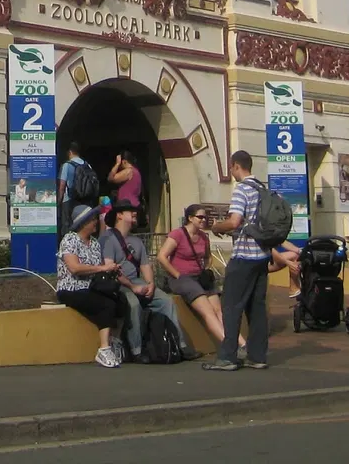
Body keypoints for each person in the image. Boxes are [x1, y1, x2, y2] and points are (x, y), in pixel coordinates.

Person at [100, 201, 200, 361]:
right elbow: (110, 268)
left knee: (167, 301)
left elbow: (145, 266)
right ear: (119, 215)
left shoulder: (137, 241)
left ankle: (180, 346)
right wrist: (133, 287)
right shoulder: (107, 239)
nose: (134, 213)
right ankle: (137, 350)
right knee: (133, 303)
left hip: (137, 282)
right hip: (118, 285)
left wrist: (151, 284)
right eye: (130, 211)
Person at [202, 150, 271, 371]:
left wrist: (215, 227)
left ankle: (228, 357)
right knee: (257, 308)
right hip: (262, 257)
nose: (231, 172)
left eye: (231, 168)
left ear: (235, 166)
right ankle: (257, 356)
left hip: (244, 257)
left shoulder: (242, 189)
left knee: (231, 306)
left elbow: (234, 222)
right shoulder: (263, 189)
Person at [55, 203, 126, 367]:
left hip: (91, 286)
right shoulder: (70, 240)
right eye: (94, 219)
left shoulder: (94, 243)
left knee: (120, 300)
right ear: (84, 222)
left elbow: (97, 269)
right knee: (105, 304)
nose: (96, 222)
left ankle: (114, 340)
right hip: (71, 288)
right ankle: (104, 349)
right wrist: (102, 267)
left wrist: (111, 270)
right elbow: (74, 268)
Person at [157, 204, 229, 347]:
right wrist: (177, 274)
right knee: (207, 310)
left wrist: (205, 269)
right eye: (200, 217)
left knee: (218, 310)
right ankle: (228, 345)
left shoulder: (203, 236)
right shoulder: (177, 234)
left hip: (199, 277)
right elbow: (161, 256)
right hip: (182, 279)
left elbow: (208, 257)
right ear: (190, 218)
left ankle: (241, 344)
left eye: (205, 217)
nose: (203, 220)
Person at [58, 143, 95, 233]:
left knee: (67, 225)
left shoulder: (66, 165)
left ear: (70, 152)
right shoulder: (87, 165)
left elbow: (62, 186)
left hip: (69, 200)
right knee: (82, 224)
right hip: (84, 200)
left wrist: (58, 202)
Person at [108, 149, 143, 216]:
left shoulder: (129, 171)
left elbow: (110, 178)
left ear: (124, 162)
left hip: (127, 206)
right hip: (134, 205)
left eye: (121, 164)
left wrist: (117, 164)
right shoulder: (136, 172)